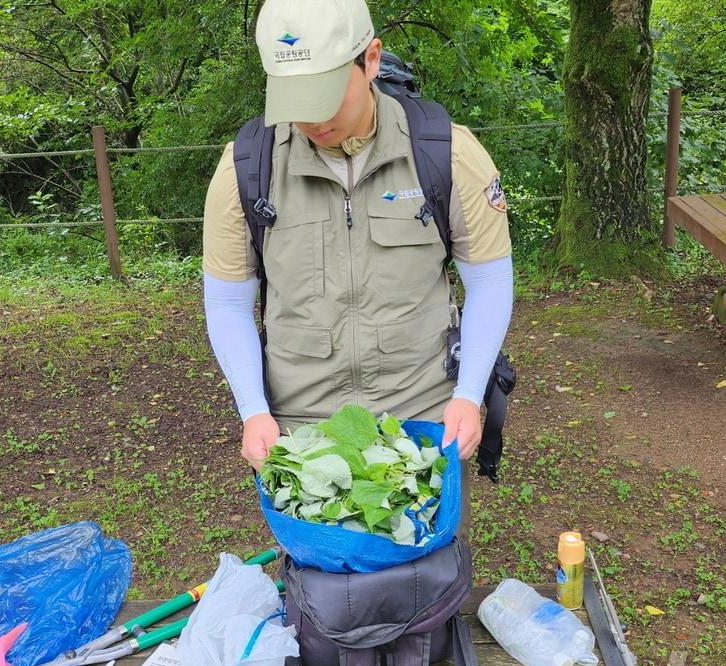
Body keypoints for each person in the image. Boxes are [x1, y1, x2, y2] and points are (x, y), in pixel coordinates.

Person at [202, 0, 514, 469]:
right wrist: (253, 411)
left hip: (422, 419)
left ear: (370, 59)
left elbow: (489, 281)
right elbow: (227, 302)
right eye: (295, 98)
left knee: (433, 545)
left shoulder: (449, 154)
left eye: (325, 95)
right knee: (312, 546)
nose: (313, 120)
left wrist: (468, 396)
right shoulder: (245, 168)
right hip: (300, 431)